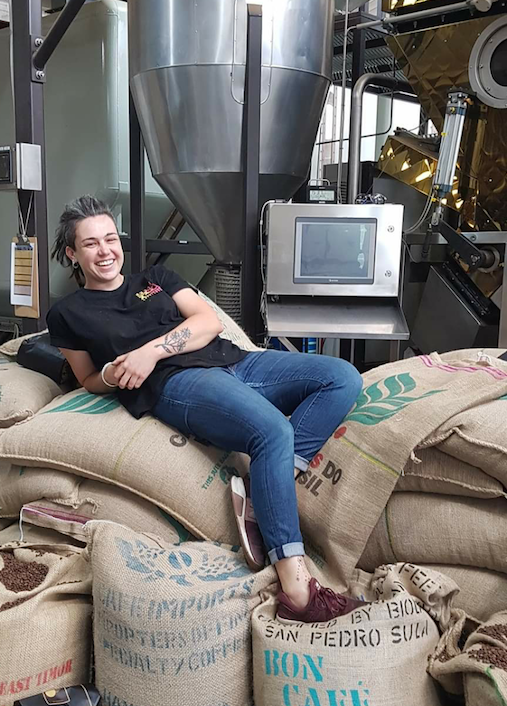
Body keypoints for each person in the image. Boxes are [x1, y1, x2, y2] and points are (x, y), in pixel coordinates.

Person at [47, 195, 363, 623]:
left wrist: (149, 352)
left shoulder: (156, 278)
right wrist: (114, 374)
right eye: (90, 243)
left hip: (235, 361)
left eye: (110, 239)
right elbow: (86, 377)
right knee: (273, 431)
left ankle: (268, 488)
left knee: (342, 377)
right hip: (178, 383)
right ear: (72, 253)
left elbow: (208, 321)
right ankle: (297, 591)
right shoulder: (67, 313)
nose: (105, 250)